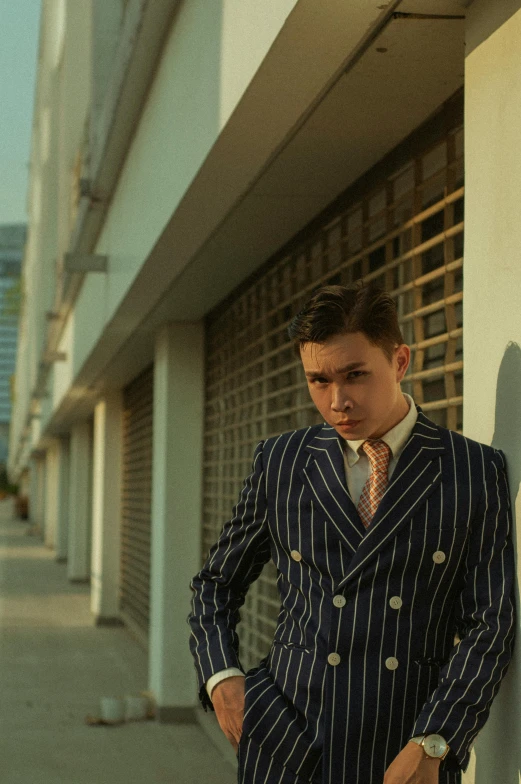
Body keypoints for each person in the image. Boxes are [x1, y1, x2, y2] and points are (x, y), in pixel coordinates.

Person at [188, 283, 515, 784]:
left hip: (403, 751)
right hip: (288, 744)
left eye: (355, 375)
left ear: (400, 361)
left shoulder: (472, 469)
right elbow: (216, 583)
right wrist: (223, 680)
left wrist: (436, 740)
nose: (337, 401)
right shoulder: (281, 461)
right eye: (318, 380)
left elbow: (491, 623)